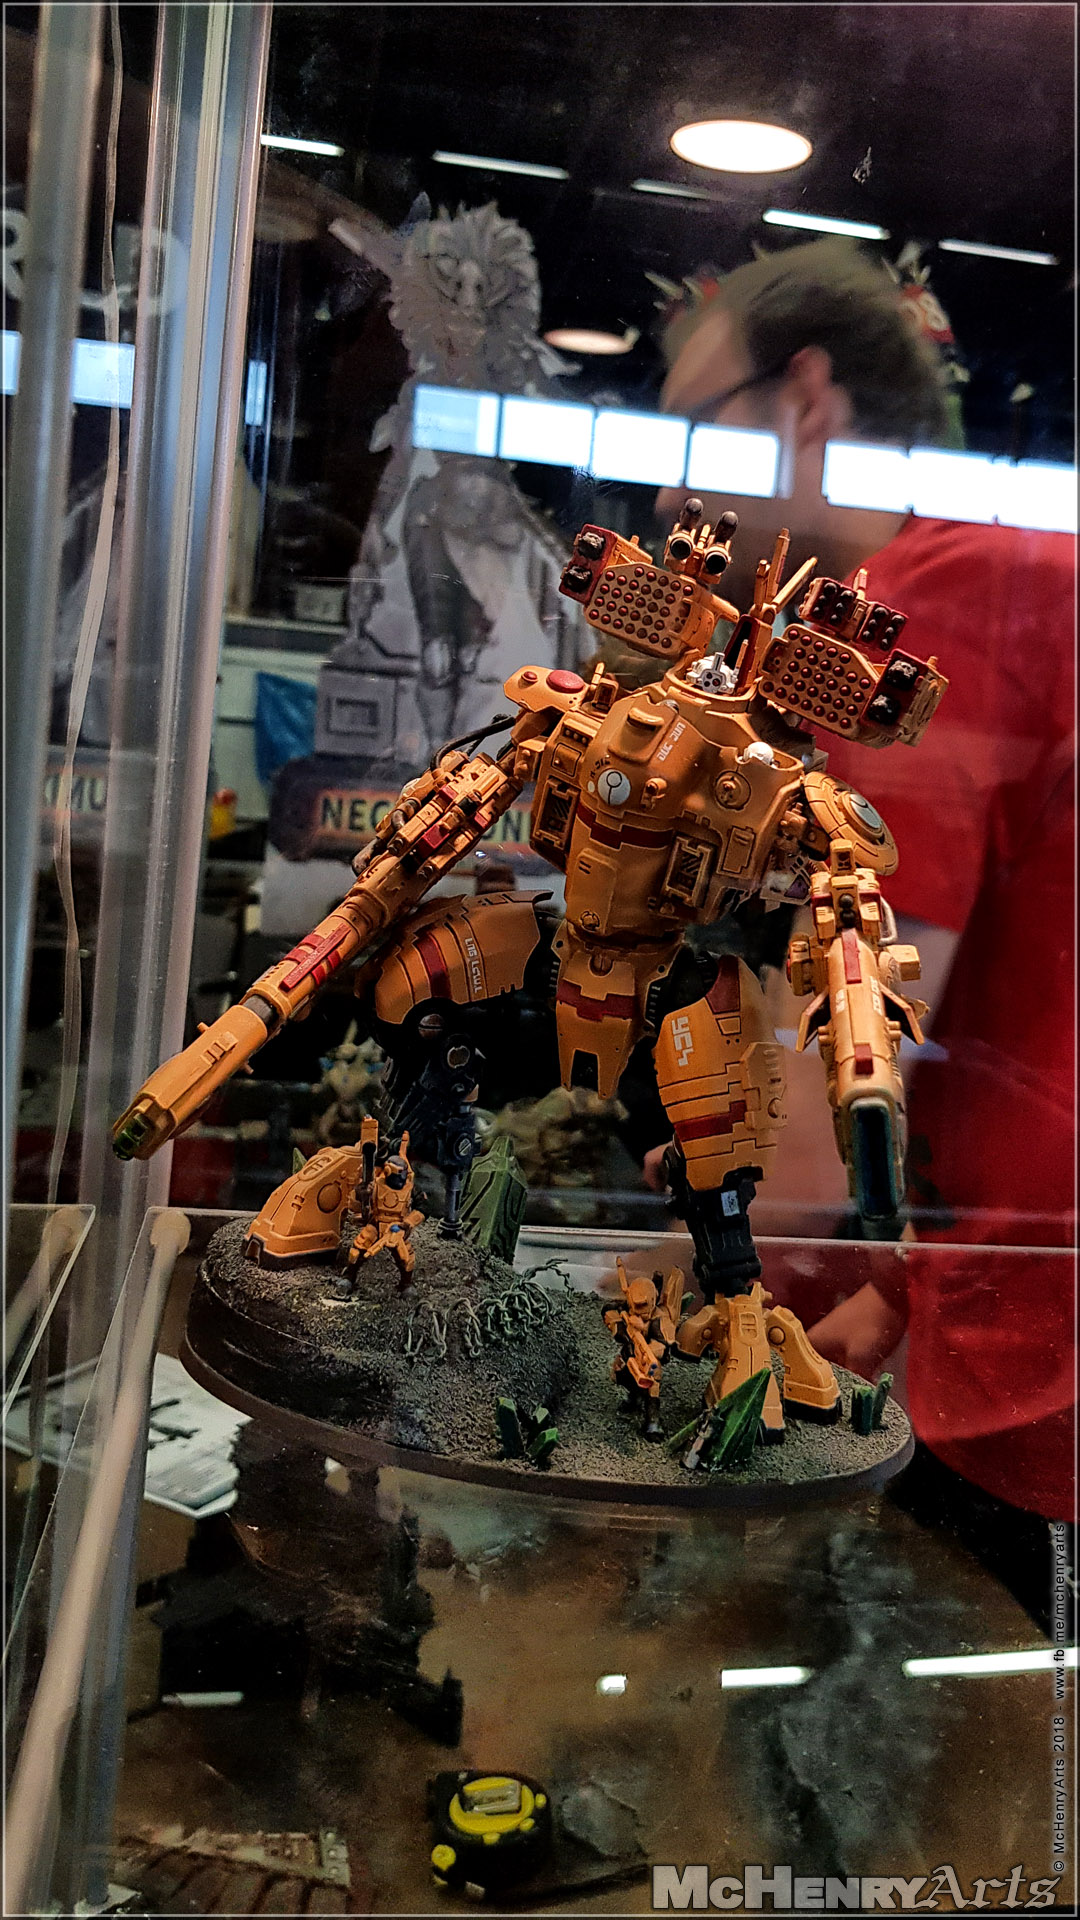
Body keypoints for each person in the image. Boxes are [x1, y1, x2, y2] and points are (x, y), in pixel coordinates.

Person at [648, 239, 1075, 1610]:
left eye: (690, 434)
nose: (667, 491)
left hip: (1041, 1370)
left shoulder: (917, 618)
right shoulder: (1013, 577)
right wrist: (899, 1276)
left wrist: (668, 1280)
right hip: (1001, 1301)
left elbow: (845, 1066)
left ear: (805, 402)